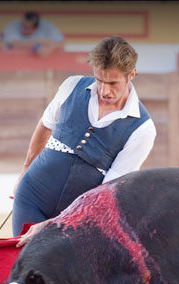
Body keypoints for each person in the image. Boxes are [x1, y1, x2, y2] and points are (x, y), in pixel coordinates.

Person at [12, 36, 156, 242]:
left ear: (131, 74)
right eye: (99, 80)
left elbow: (107, 194)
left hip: (80, 218)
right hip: (30, 197)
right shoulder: (72, 85)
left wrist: (53, 224)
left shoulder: (143, 129)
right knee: (23, 267)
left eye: (113, 82)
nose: (105, 91)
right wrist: (25, 171)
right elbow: (45, 126)